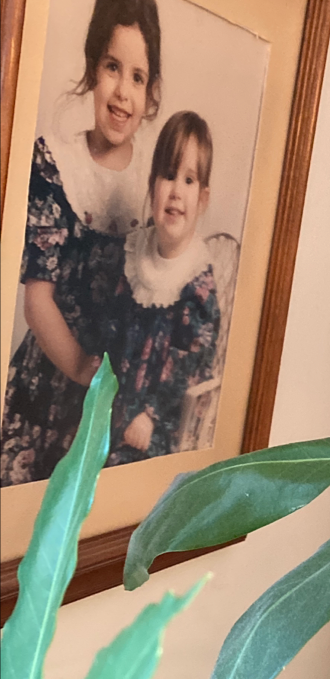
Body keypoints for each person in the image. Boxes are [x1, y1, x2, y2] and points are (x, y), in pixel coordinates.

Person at [1, 0, 161, 486]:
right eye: (113, 67)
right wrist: (80, 371)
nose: (122, 92)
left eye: (138, 77)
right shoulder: (56, 163)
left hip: (115, 401)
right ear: (93, 66)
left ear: (150, 92)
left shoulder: (153, 180)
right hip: (51, 384)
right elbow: (37, 301)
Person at [103, 111, 220, 465]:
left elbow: (190, 367)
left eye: (189, 180)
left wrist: (149, 416)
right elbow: (115, 325)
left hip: (156, 426)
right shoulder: (134, 255)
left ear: (202, 199)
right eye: (168, 176)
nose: (175, 192)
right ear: (152, 184)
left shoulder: (197, 284)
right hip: (116, 406)